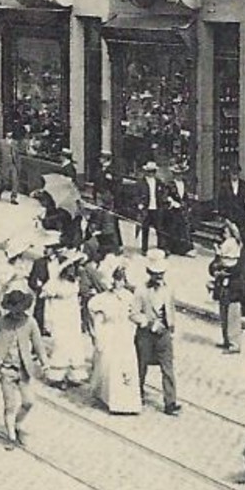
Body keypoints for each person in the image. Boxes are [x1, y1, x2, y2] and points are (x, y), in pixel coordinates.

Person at [0, 288, 52, 447]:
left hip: (23, 370)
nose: (17, 314)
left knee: (29, 402)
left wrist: (44, 362)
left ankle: (17, 424)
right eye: (14, 311)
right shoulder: (2, 322)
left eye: (19, 311)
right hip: (6, 370)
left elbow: (38, 344)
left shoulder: (30, 322)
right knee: (10, 404)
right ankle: (11, 437)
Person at [130, 251, 181, 415]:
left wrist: (171, 327)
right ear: (149, 273)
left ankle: (170, 402)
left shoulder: (169, 288)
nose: (159, 277)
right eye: (155, 274)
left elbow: (171, 308)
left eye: (161, 274)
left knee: (168, 368)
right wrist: (150, 323)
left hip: (164, 334)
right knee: (141, 365)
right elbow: (133, 313)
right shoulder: (141, 291)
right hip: (146, 335)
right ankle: (137, 393)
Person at [88, 265, 142, 415]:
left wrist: (134, 329)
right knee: (110, 365)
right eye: (116, 280)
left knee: (126, 365)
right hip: (110, 333)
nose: (119, 283)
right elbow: (98, 319)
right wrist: (99, 336)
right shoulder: (103, 299)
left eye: (122, 280)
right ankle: (110, 399)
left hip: (124, 333)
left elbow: (133, 315)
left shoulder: (129, 297)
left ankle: (128, 402)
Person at [40, 254, 92, 388]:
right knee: (62, 345)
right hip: (61, 315)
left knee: (74, 344)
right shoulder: (55, 283)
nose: (71, 271)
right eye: (69, 268)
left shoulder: (74, 281)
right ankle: (57, 376)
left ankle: (74, 374)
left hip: (73, 316)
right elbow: (45, 294)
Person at [131, 160, 172, 254]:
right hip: (146, 208)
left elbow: (163, 193)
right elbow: (135, 195)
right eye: (149, 171)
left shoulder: (158, 182)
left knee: (159, 229)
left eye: (153, 171)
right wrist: (139, 204)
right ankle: (144, 248)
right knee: (145, 228)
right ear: (146, 172)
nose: (151, 173)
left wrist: (164, 201)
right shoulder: (141, 182)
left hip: (157, 207)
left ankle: (161, 247)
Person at [212, 243, 245, 354]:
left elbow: (240, 282)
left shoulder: (239, 268)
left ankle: (234, 344)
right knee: (224, 318)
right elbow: (212, 268)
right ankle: (226, 340)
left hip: (233, 296)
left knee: (233, 319)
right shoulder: (222, 264)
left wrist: (225, 276)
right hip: (223, 294)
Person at [218, 167, 245, 233]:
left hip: (241, 214)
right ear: (230, 174)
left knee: (242, 232)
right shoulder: (225, 185)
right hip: (229, 214)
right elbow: (221, 200)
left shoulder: (243, 184)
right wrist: (222, 214)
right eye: (233, 174)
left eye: (236, 174)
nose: (234, 176)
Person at [0, 127, 21, 204]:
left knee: (15, 181)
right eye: (8, 132)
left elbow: (17, 154)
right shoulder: (1, 142)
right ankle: (0, 192)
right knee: (5, 182)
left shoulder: (15, 142)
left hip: (13, 164)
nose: (10, 134)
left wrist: (18, 165)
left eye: (11, 132)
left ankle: (13, 197)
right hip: (4, 164)